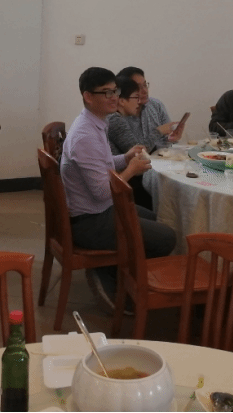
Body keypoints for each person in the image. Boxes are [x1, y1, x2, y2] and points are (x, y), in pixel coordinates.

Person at [60, 67, 176, 312]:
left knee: (157, 219)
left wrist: (125, 157)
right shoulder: (85, 135)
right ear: (88, 96)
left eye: (115, 91)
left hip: (98, 210)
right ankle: (113, 279)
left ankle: (120, 273)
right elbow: (102, 193)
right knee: (166, 238)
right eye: (106, 92)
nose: (114, 97)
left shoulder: (94, 122)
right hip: (89, 221)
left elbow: (102, 164)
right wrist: (131, 169)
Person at [108, 75, 153, 209]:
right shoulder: (115, 119)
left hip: (119, 176)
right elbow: (140, 151)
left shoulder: (119, 118)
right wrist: (159, 132)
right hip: (119, 184)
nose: (139, 102)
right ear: (122, 101)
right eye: (135, 97)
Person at [116, 66, 184, 152]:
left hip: (162, 157)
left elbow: (167, 141)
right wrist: (158, 131)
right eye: (138, 87)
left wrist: (172, 138)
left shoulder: (156, 105)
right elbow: (135, 151)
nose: (145, 90)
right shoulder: (118, 116)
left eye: (145, 85)